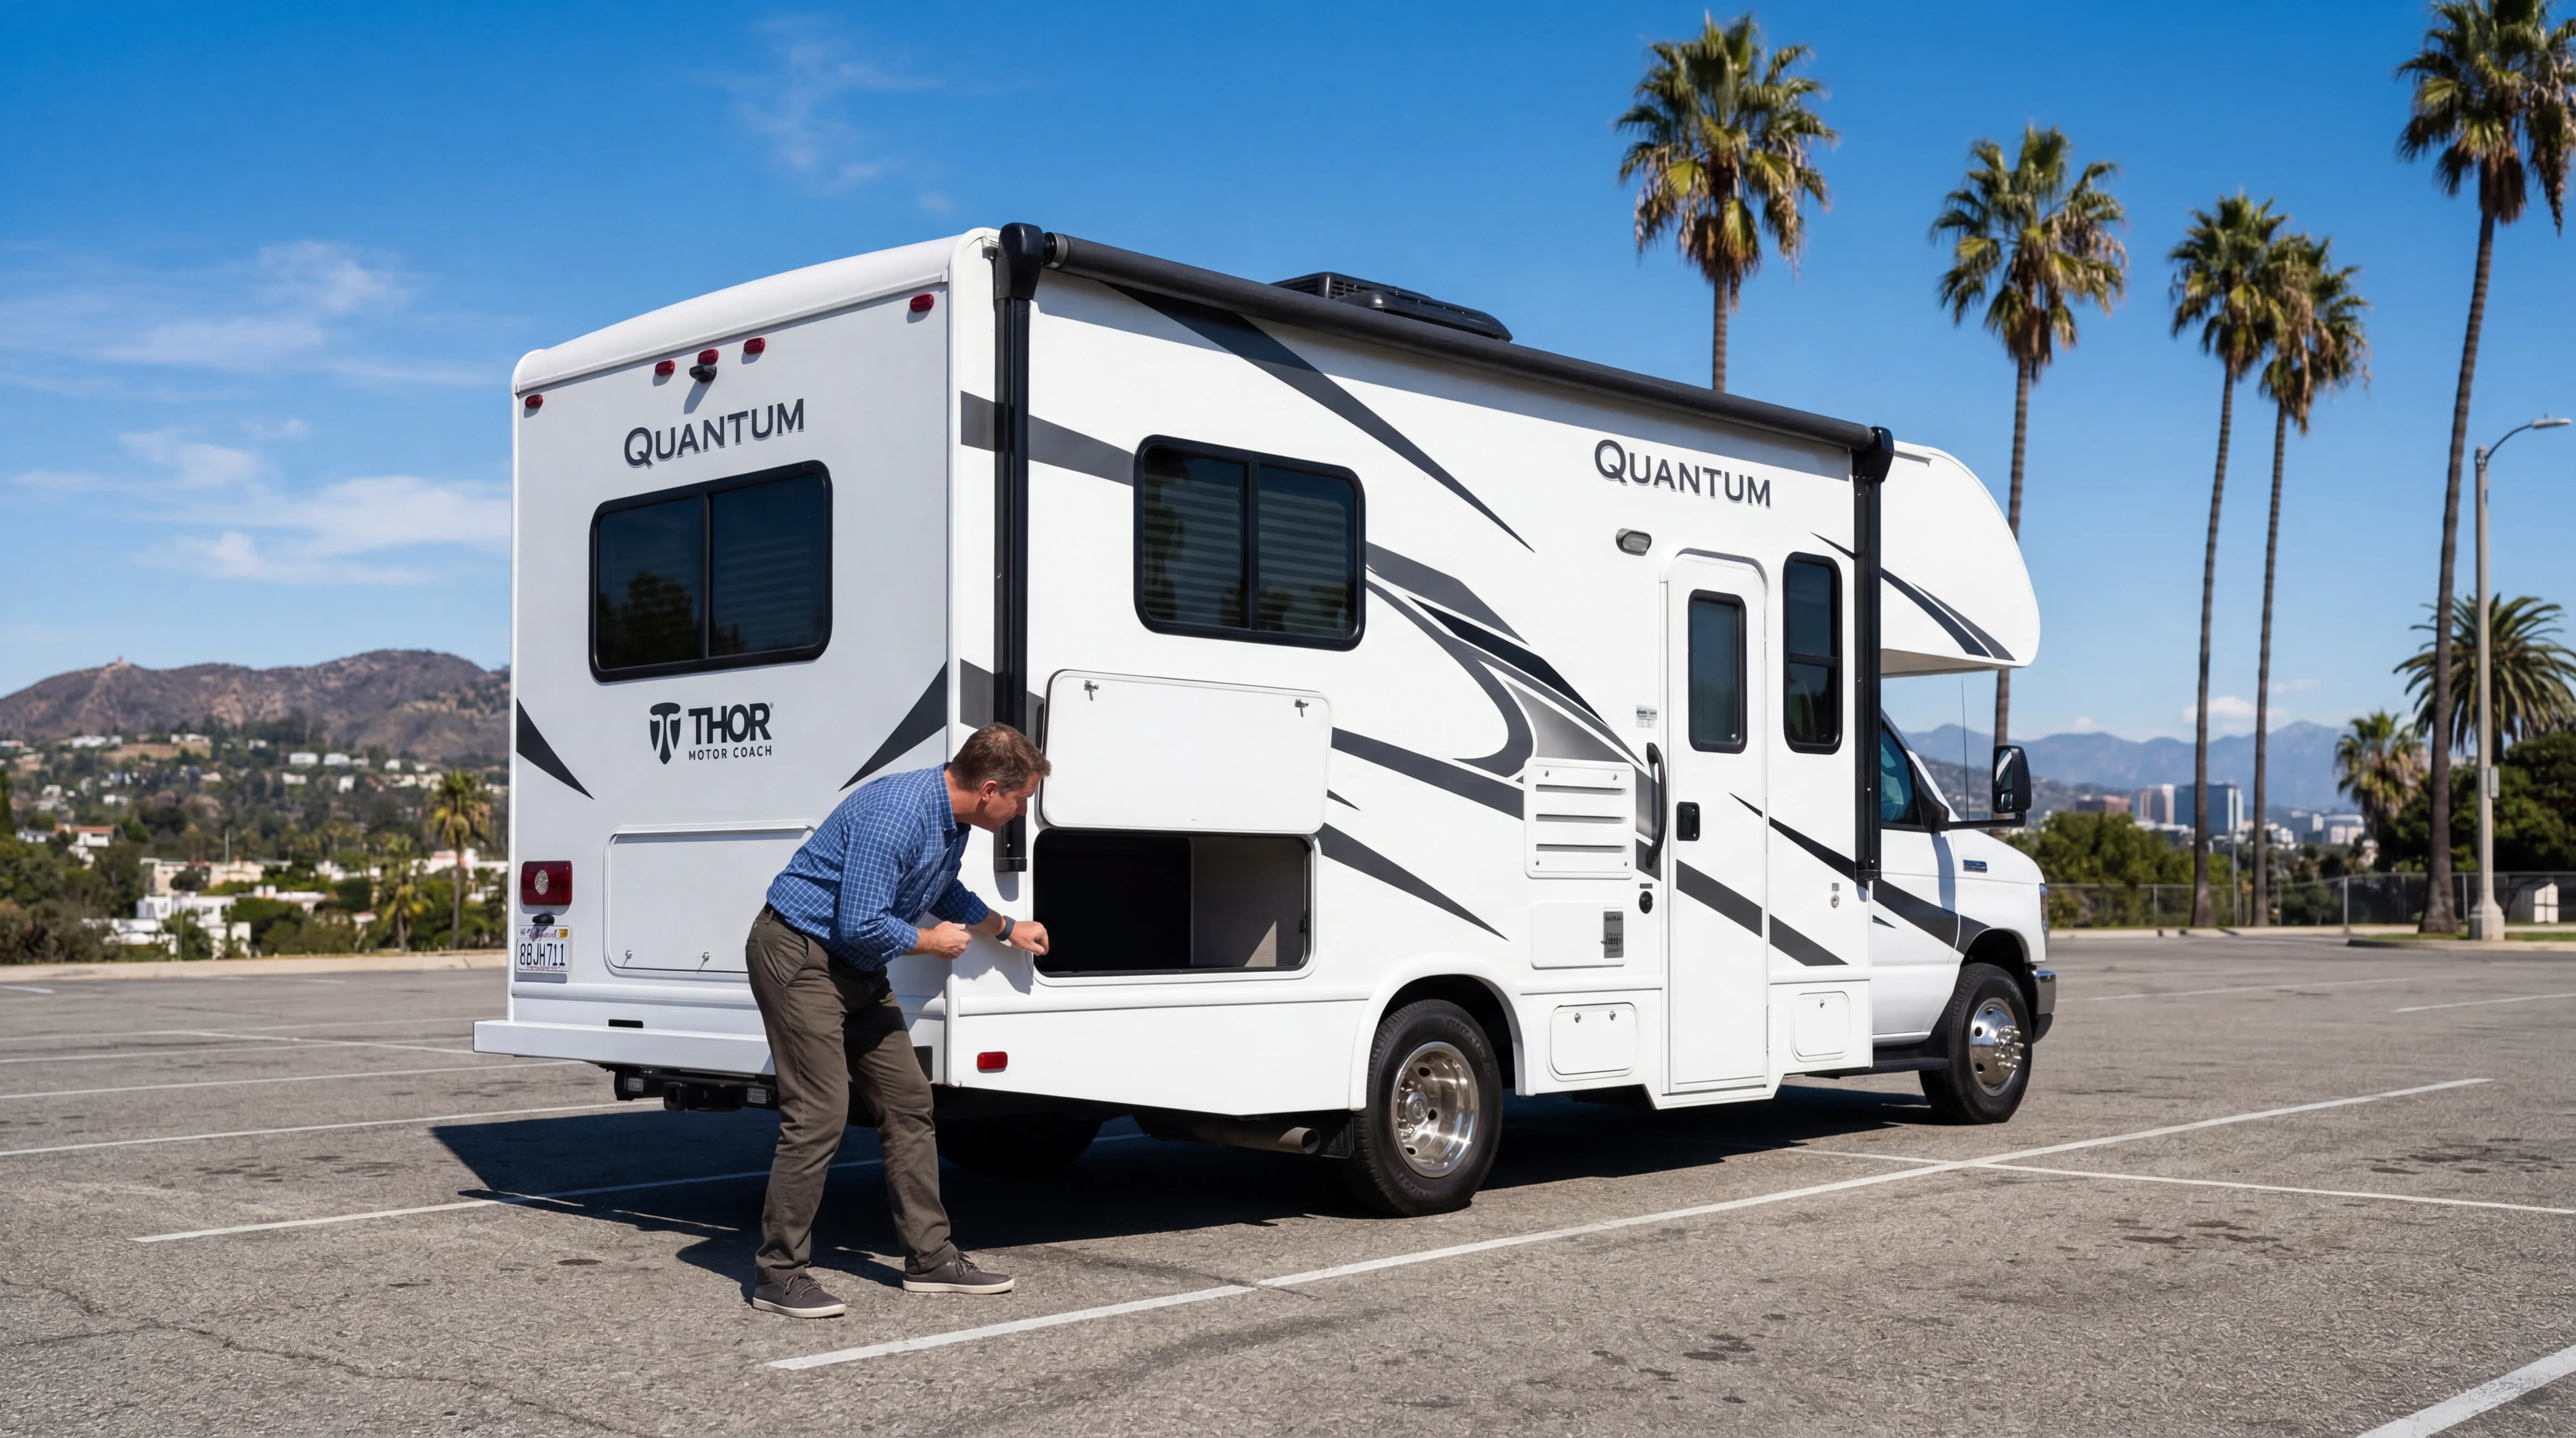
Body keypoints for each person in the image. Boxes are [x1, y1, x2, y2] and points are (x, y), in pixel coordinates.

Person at [743, 722, 1052, 1319]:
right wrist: (928, 942)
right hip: (800, 955)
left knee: (909, 1103)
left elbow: (943, 890)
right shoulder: (899, 814)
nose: (1021, 813)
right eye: (1020, 801)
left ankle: (930, 1259)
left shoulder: (949, 820)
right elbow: (862, 921)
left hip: (854, 968)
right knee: (817, 1114)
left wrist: (1007, 928)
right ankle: (778, 1274)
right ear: (990, 789)